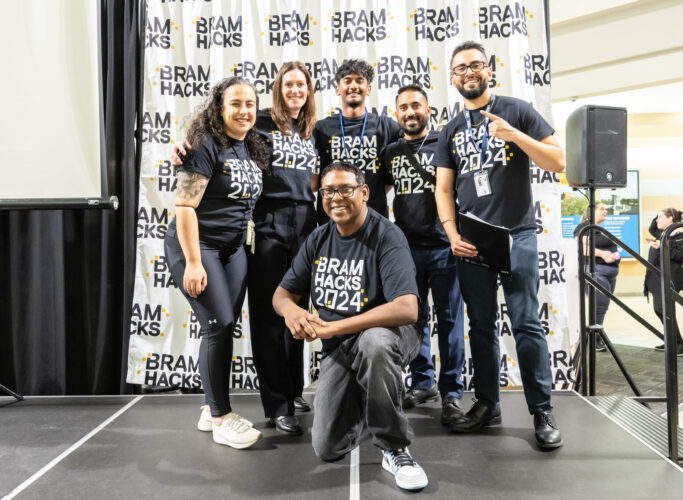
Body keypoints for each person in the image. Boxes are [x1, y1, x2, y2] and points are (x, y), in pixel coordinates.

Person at [173, 62, 318, 435]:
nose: (295, 90)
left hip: (284, 232)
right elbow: (203, 139)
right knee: (251, 320)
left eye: (302, 84)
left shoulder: (305, 132)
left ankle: (288, 392)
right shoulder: (255, 124)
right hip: (254, 231)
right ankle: (259, 408)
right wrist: (181, 147)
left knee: (287, 315)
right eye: (288, 84)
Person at [433, 41, 565, 449]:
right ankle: (487, 404)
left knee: (526, 322)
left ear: (489, 70)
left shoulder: (518, 110)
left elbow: (557, 161)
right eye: (460, 68)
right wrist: (452, 234)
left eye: (476, 65)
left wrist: (514, 135)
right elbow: (443, 189)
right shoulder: (451, 129)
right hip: (473, 240)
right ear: (453, 78)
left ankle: (542, 410)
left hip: (516, 234)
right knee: (481, 326)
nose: (469, 72)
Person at [272, 161, 428, 491]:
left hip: (391, 336)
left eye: (345, 189)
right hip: (340, 346)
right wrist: (292, 312)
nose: (336, 197)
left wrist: (336, 327)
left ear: (364, 192)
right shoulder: (318, 238)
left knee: (375, 344)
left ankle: (395, 447)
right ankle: (375, 400)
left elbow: (407, 308)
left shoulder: (387, 235)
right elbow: (282, 294)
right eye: (328, 191)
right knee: (327, 447)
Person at [164, 77, 267, 449]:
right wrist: (194, 262)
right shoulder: (206, 144)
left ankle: (211, 408)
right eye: (235, 103)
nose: (244, 111)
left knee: (222, 328)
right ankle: (222, 418)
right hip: (198, 247)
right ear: (219, 108)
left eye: (250, 104)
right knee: (219, 324)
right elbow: (184, 206)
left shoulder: (251, 145)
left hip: (233, 249)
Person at [381, 84, 465, 425]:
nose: (410, 112)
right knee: (412, 321)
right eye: (403, 107)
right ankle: (422, 382)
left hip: (445, 248)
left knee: (450, 322)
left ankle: (452, 393)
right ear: (396, 114)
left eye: (416, 105)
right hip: (407, 250)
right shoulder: (390, 152)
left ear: (429, 110)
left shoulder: (446, 143)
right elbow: (383, 190)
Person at [313, 58, 401, 225]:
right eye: (347, 81)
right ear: (337, 89)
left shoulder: (386, 126)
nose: (353, 86)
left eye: (360, 80)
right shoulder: (321, 128)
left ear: (368, 89)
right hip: (332, 222)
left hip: (374, 222)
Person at [574, 202, 621, 352]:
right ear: (591, 212)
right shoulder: (584, 226)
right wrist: (602, 254)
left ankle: (595, 335)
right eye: (602, 209)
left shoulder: (599, 229)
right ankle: (594, 337)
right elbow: (580, 246)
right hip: (594, 270)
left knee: (602, 305)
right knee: (601, 302)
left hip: (610, 272)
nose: (605, 211)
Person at [643, 208, 683, 356]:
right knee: (661, 310)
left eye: (661, 217)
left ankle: (678, 343)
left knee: (664, 310)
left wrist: (663, 247)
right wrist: (661, 212)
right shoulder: (660, 234)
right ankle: (672, 341)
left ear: (670, 219)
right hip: (655, 278)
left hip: (671, 279)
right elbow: (652, 226)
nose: (657, 220)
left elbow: (680, 256)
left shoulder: (682, 237)